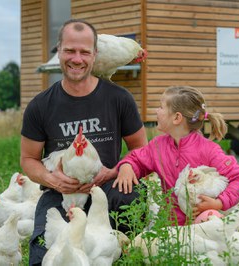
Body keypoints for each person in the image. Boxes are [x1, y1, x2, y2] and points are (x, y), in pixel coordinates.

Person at [20, 18, 147, 265]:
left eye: (84, 52)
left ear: (95, 54)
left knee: (131, 196)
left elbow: (141, 149)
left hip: (108, 187)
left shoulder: (119, 98)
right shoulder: (40, 105)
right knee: (42, 256)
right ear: (59, 51)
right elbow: (28, 159)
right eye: (69, 50)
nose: (76, 59)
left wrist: (117, 171)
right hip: (61, 190)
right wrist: (52, 179)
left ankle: (125, 253)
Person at [113, 85, 239, 226]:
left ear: (177, 118)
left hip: (201, 224)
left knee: (210, 219)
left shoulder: (209, 150)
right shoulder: (157, 146)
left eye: (161, 107)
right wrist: (127, 166)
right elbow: (137, 159)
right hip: (169, 225)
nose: (157, 110)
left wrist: (219, 203)